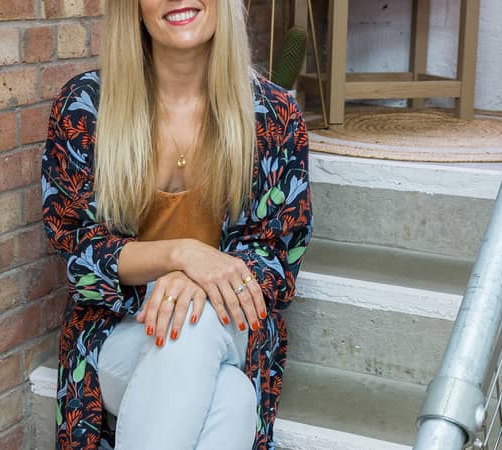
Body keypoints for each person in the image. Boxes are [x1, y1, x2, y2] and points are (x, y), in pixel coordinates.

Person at [41, 1, 313, 449]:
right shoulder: (86, 106)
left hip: (229, 318)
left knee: (193, 322)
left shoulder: (275, 115)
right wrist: (182, 254)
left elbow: (278, 257)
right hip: (121, 327)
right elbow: (76, 250)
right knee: (233, 399)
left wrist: (201, 285)